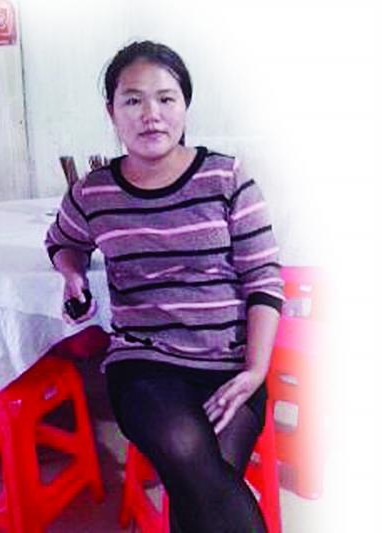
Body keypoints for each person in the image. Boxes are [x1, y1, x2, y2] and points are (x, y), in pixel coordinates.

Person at [45, 40, 284, 533]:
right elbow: (63, 242)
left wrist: (256, 370)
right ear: (111, 111)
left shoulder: (227, 178)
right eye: (133, 99)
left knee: (202, 481)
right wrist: (72, 274)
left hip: (230, 363)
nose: (150, 114)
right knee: (187, 452)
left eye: (165, 98)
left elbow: (263, 280)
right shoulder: (93, 192)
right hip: (145, 362)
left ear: (184, 105)